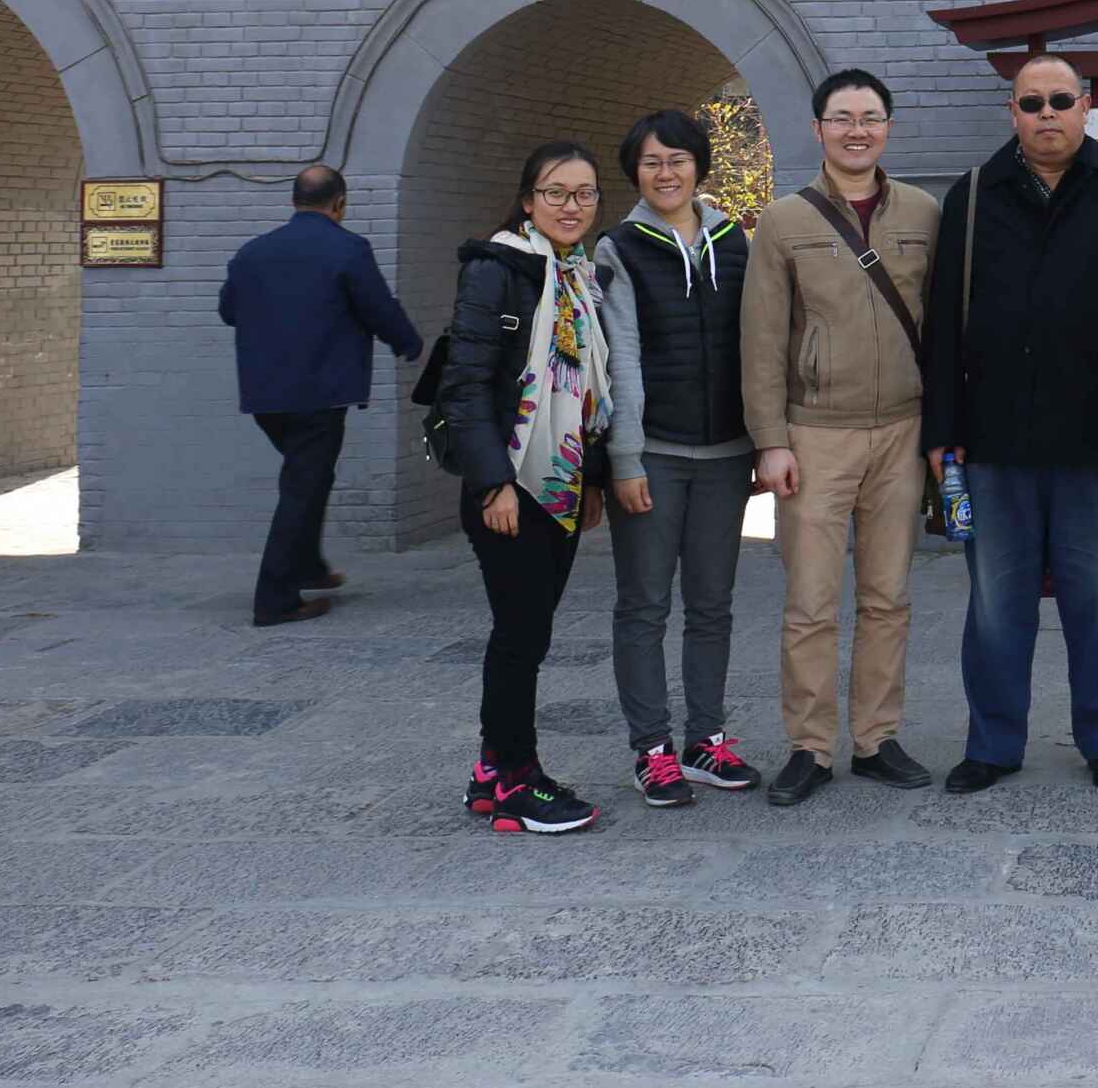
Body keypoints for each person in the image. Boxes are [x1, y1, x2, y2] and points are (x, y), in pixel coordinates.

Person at [921, 53, 1098, 798]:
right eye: (1031, 103)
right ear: (1013, 113)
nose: (1047, 114)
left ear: (1085, 107)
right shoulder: (973, 194)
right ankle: (994, 743)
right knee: (997, 606)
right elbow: (944, 323)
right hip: (993, 439)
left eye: (1060, 100)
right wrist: (942, 428)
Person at [741, 69, 940, 806]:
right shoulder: (783, 220)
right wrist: (771, 440)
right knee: (810, 601)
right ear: (819, 128)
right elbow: (762, 339)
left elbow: (941, 328)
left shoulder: (923, 211)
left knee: (889, 597)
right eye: (842, 117)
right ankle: (810, 746)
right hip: (814, 435)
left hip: (902, 430)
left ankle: (877, 738)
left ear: (888, 127)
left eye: (870, 117)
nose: (857, 130)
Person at [445, 141, 615, 835]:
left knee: (529, 631)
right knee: (519, 634)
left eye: (584, 193)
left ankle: (493, 772)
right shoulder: (498, 268)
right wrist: (494, 485)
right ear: (527, 200)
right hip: (510, 486)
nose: (571, 206)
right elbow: (465, 383)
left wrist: (590, 480)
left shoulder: (580, 274)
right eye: (556, 192)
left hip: (560, 483)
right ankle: (517, 779)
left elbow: (585, 390)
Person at [591, 110, 759, 810]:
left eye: (678, 158)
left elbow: (757, 342)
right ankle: (652, 749)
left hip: (726, 454)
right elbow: (621, 358)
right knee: (645, 604)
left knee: (713, 605)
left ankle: (705, 740)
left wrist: (763, 439)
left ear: (699, 165)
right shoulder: (618, 248)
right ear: (635, 171)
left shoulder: (736, 239)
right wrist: (625, 459)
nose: (666, 172)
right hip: (653, 452)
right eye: (652, 161)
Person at [217, 164, 422, 628]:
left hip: (265, 397)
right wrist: (408, 343)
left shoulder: (252, 252)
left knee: (310, 479)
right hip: (320, 394)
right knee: (302, 488)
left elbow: (229, 311)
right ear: (340, 204)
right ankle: (274, 600)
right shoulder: (348, 248)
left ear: (293, 200)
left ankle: (308, 565)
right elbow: (377, 307)